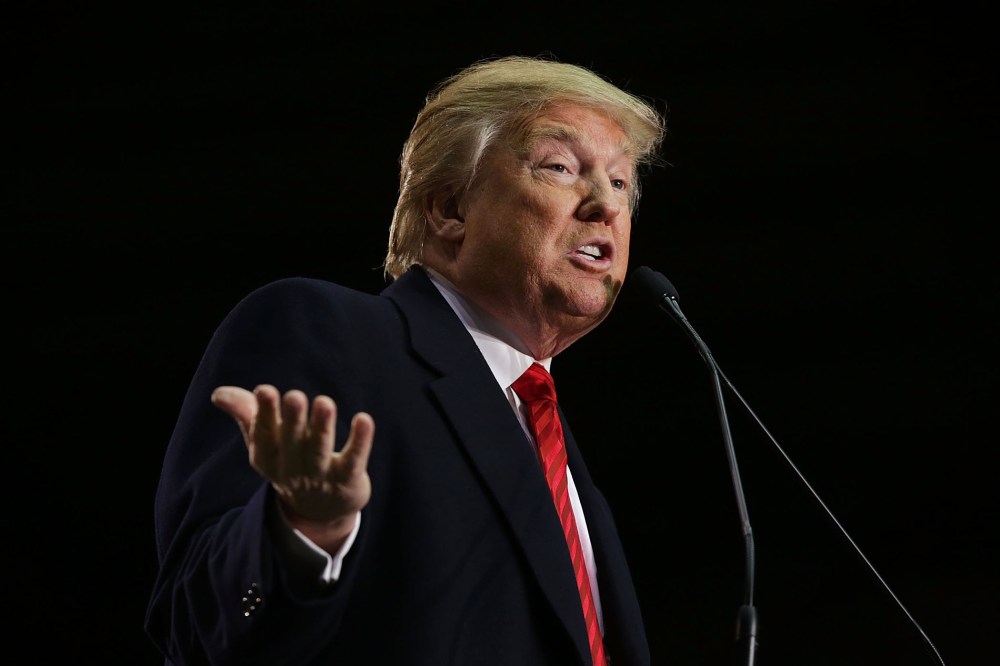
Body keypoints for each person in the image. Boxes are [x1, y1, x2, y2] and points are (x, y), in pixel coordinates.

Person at [145, 54, 666, 666]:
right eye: (559, 167)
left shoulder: (556, 448)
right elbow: (194, 623)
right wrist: (301, 532)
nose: (604, 205)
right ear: (449, 209)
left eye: (621, 182)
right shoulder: (328, 333)